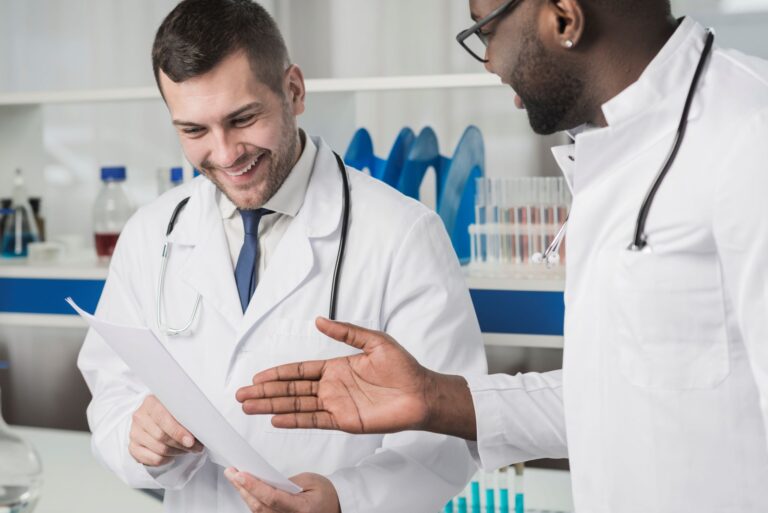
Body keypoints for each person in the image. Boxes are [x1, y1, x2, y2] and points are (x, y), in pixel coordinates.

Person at [237, 1, 768, 512]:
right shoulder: (618, 146)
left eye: (485, 30)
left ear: (564, 18)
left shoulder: (750, 136)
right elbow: (614, 393)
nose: (489, 61)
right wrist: (433, 397)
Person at [76, 1, 487, 512]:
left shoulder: (402, 234)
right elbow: (111, 394)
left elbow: (447, 440)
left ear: (293, 90)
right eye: (194, 131)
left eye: (243, 119)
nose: (226, 154)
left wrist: (345, 499)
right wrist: (141, 441)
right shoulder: (151, 232)